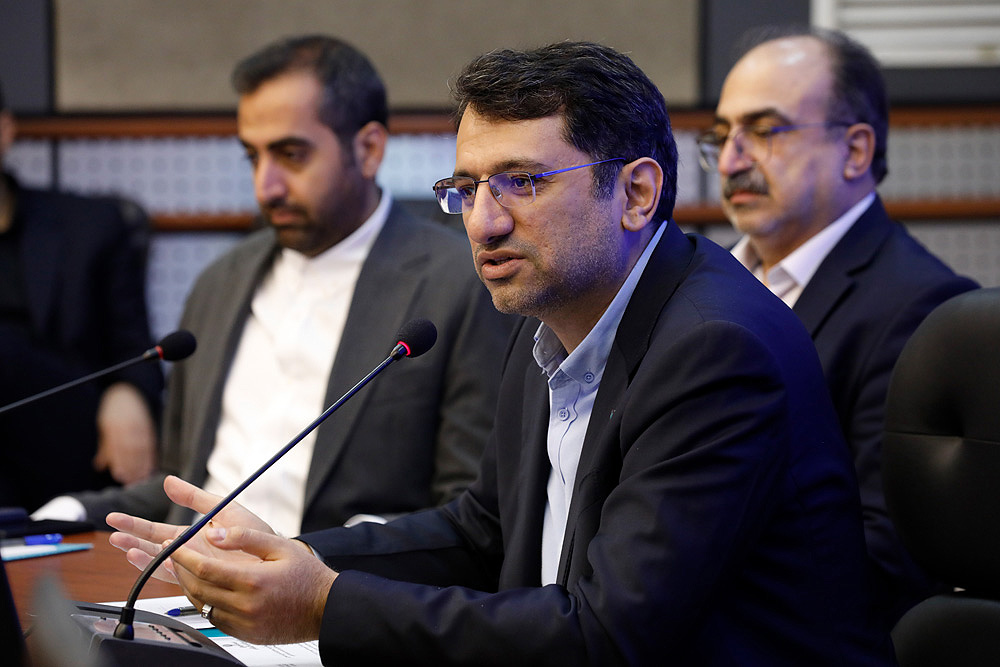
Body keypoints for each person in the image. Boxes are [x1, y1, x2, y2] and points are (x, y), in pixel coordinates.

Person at [109, 41, 894, 664]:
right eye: (468, 189)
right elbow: (483, 530)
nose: (483, 223)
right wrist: (289, 555)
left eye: (522, 182)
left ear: (636, 193)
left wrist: (324, 602)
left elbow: (607, 634)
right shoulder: (551, 311)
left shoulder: (715, 350)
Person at [35, 35, 509, 536]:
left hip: (330, 572)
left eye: (291, 154)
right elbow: (183, 484)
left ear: (369, 149)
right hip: (183, 566)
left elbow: (468, 511)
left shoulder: (458, 286)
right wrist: (65, 513)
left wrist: (330, 555)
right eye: (253, 157)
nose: (266, 186)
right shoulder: (220, 282)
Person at [698, 26, 979, 628]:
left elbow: (887, 557)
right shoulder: (703, 285)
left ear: (855, 150)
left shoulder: (922, 307)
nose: (730, 161)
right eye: (721, 136)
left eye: (763, 132)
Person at [0, 80, 162, 511]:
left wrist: (127, 393)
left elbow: (136, 348)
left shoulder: (90, 226)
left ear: (6, 130)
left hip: (67, 433)